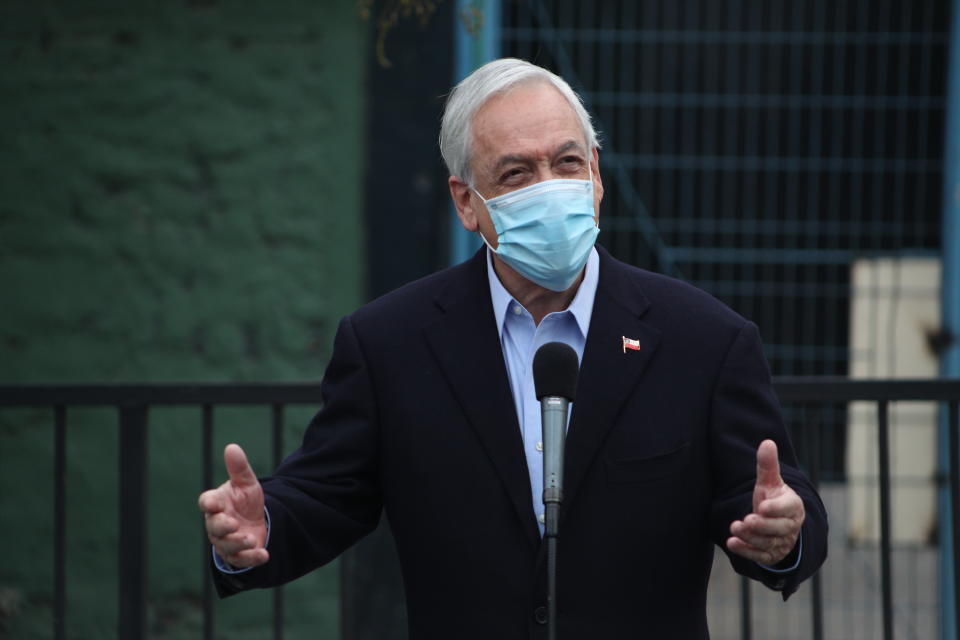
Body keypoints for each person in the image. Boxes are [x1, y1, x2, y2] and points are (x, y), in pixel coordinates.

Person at [199, 58, 827, 639]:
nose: (550, 187)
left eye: (567, 163)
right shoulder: (392, 342)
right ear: (467, 202)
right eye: (518, 173)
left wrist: (783, 534)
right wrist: (262, 529)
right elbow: (326, 495)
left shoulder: (703, 339)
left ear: (598, 177)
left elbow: (773, 504)